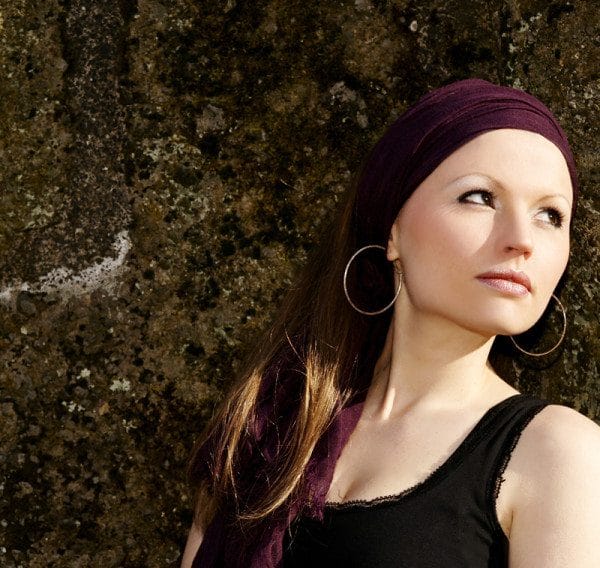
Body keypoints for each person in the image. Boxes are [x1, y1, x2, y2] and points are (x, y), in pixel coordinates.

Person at [181, 79, 600, 567]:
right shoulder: (267, 430)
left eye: (550, 215)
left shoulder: (559, 453)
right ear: (392, 229)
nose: (522, 239)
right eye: (480, 197)